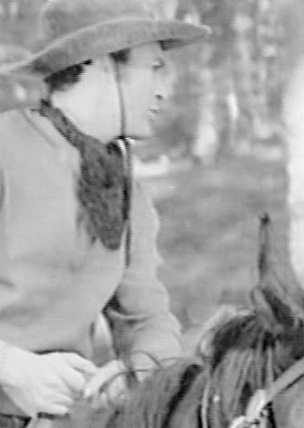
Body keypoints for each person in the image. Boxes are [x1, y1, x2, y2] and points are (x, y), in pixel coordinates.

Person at [0, 0, 209, 426]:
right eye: (154, 69)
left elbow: (146, 316)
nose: (162, 90)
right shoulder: (6, 150)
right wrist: (15, 369)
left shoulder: (125, 189)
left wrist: (140, 372)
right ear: (101, 64)